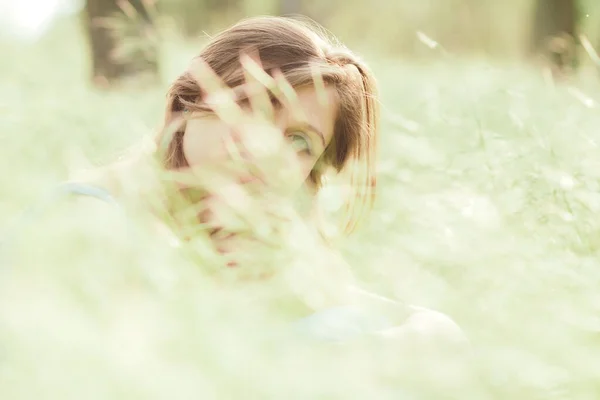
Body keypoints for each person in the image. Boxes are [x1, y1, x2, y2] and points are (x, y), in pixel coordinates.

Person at [9, 16, 466, 349]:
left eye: (300, 141)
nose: (265, 150)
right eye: (249, 108)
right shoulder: (91, 218)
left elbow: (432, 326)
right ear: (188, 103)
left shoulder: (238, 233)